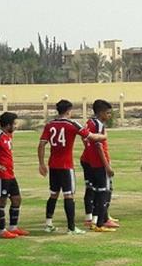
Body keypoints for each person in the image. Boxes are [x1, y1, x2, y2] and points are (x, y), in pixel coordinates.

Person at [38, 100, 107, 234]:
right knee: (68, 196)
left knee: (53, 194)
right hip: (66, 166)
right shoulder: (72, 124)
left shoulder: (50, 125)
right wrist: (104, 136)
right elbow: (91, 136)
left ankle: (48, 223)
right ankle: (71, 227)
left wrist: (41, 163)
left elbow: (41, 145)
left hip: (53, 165)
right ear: (69, 111)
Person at [81, 99, 118, 230]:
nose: (109, 116)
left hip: (90, 162)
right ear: (101, 113)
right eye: (107, 113)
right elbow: (99, 146)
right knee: (103, 192)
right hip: (99, 163)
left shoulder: (89, 123)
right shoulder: (99, 126)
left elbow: (84, 138)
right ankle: (101, 222)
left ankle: (93, 220)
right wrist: (107, 166)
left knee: (93, 190)